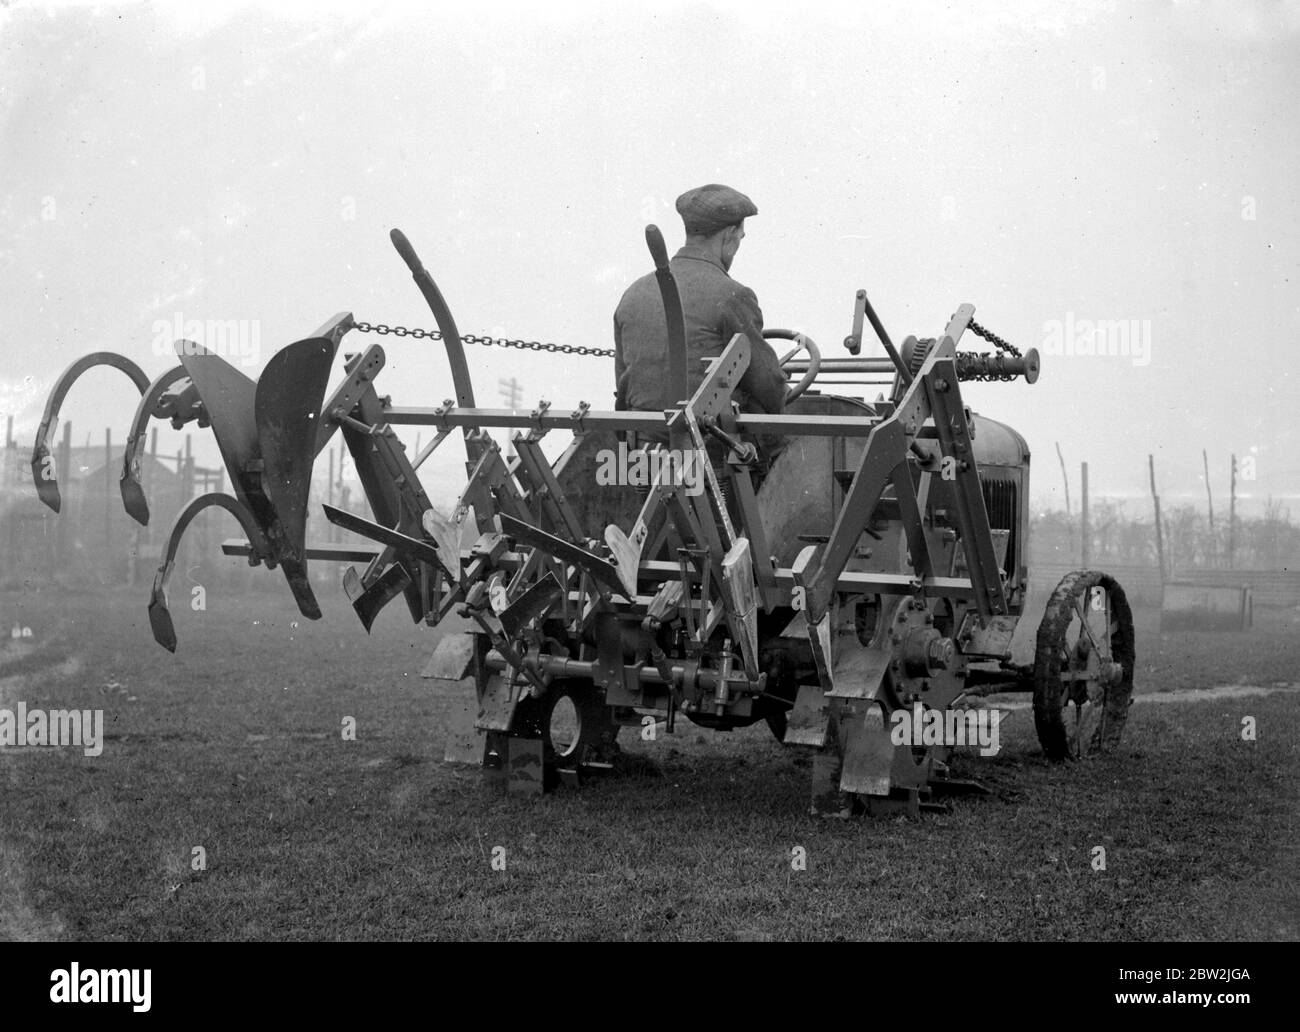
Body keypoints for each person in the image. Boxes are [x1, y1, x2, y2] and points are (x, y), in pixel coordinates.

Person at [613, 184, 788, 463]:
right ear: (730, 235)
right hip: (709, 454)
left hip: (642, 454)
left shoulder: (633, 294)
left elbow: (623, 386)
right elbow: (769, 385)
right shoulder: (733, 295)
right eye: (740, 237)